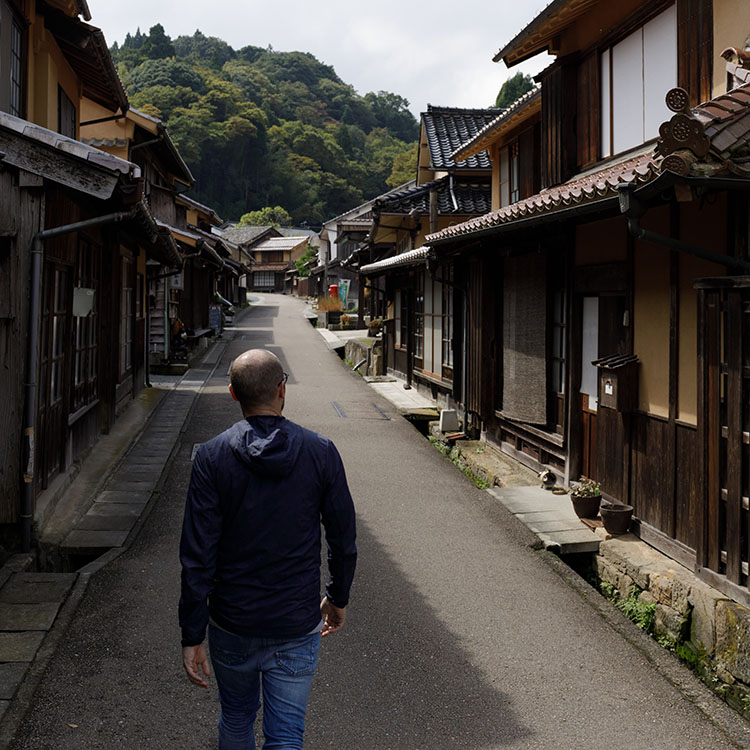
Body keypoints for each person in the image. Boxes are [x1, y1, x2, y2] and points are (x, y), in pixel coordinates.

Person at [179, 348, 357, 749]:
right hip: (295, 621)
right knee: (286, 733)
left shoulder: (211, 457)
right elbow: (343, 538)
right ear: (281, 390)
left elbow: (196, 555)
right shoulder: (320, 452)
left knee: (237, 715)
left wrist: (192, 633)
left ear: (232, 393)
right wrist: (337, 596)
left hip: (231, 621)